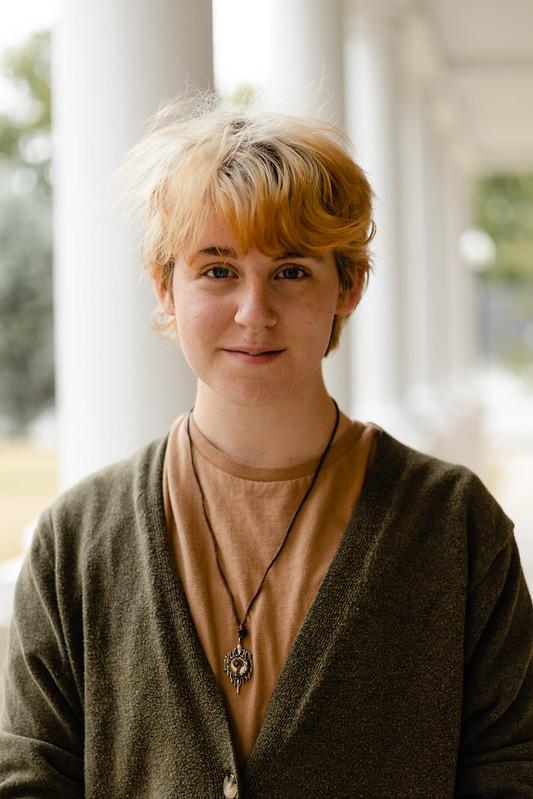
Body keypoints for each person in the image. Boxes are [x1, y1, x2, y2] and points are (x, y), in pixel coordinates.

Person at [1, 97, 532, 798]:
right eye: (217, 270)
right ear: (165, 287)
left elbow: (509, 771)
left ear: (348, 285)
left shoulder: (453, 526)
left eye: (290, 270)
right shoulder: (75, 542)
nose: (253, 312)